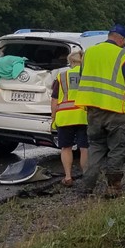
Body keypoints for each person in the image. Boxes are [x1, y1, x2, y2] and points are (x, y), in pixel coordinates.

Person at [74, 24, 125, 198]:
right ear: (122, 40)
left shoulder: (89, 52)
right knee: (117, 148)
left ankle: (86, 186)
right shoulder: (123, 55)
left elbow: (85, 76)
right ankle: (114, 188)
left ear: (109, 36)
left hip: (92, 108)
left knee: (96, 147)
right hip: (115, 109)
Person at [50, 50, 88, 186]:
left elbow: (54, 100)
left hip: (65, 116)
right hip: (84, 116)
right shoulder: (88, 75)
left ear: (71, 62)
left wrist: (53, 117)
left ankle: (68, 177)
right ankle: (86, 177)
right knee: (84, 147)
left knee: (66, 147)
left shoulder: (62, 76)